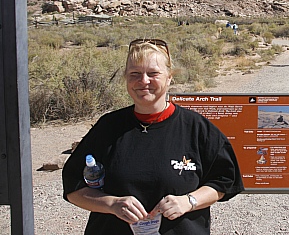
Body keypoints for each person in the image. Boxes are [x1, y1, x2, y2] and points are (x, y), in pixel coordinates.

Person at [62, 39, 244, 234]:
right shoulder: (108, 127)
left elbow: (223, 181)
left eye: (153, 73)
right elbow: (74, 189)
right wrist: (111, 204)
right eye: (135, 74)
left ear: (169, 78)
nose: (144, 81)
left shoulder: (197, 128)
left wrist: (189, 201)